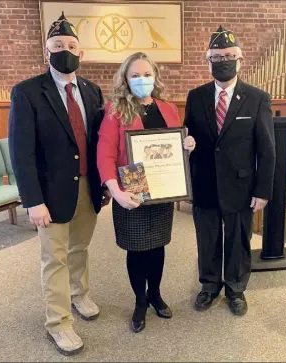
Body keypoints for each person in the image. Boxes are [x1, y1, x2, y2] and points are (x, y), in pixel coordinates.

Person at [8, 12, 110, 356]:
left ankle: (78, 294)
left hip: (87, 186)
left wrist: (106, 182)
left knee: (80, 248)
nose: (64, 50)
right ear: (45, 51)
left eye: (70, 46)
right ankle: (59, 322)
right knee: (55, 258)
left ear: (80, 53)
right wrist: (32, 200)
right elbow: (21, 152)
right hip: (49, 193)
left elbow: (101, 141)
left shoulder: (93, 90)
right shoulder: (26, 92)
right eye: (57, 46)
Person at [97, 52, 195, 333]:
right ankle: (140, 300)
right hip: (133, 186)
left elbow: (174, 145)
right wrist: (115, 191)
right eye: (136, 75)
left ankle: (155, 294)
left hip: (163, 186)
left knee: (158, 245)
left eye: (147, 74)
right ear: (125, 79)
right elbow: (104, 155)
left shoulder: (167, 108)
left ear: (155, 76)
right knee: (137, 249)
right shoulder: (115, 111)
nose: (143, 80)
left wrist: (187, 143)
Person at [184, 26, 276, 316]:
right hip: (205, 183)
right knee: (207, 238)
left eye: (228, 55)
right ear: (207, 60)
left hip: (241, 186)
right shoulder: (195, 96)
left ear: (240, 59)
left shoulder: (257, 98)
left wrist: (263, 190)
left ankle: (235, 289)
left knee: (238, 240)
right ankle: (209, 286)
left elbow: (267, 149)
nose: (223, 60)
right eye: (216, 56)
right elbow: (189, 139)